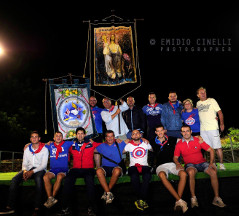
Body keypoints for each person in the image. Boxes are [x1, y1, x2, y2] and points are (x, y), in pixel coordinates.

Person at [173, 125, 226, 209]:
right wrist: (177, 163)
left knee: (213, 172)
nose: (185, 133)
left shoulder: (198, 140)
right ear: (181, 133)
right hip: (190, 164)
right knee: (190, 172)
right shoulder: (179, 144)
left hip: (202, 163)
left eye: (187, 131)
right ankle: (193, 198)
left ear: (191, 132)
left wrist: (211, 163)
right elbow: (175, 157)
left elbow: (211, 150)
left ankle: (216, 198)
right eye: (183, 131)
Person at [0, 131, 49, 216]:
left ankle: (37, 208)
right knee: (14, 179)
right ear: (30, 139)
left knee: (38, 180)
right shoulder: (27, 149)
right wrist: (25, 171)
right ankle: (10, 207)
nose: (34, 138)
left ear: (39, 138)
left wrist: (31, 172)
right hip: (28, 169)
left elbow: (43, 165)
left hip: (39, 169)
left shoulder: (44, 149)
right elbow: (24, 163)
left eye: (36, 136)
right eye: (32, 137)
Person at [58, 127, 101, 216]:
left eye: (82, 133)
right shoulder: (72, 145)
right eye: (78, 133)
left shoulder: (91, 143)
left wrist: (117, 140)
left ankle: (92, 208)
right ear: (76, 135)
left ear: (85, 135)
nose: (80, 135)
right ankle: (65, 208)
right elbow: (58, 144)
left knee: (90, 184)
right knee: (67, 182)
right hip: (76, 169)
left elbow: (105, 145)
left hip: (88, 169)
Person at [152, 125, 188, 213]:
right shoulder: (152, 142)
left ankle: (177, 201)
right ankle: (179, 200)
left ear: (164, 131)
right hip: (160, 166)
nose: (160, 133)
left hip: (172, 164)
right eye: (158, 131)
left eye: (161, 131)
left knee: (183, 173)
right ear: (155, 132)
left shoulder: (172, 139)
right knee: (161, 175)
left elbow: (185, 139)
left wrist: (197, 137)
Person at [196, 87, 225, 170]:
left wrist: (221, 124)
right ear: (198, 95)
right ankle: (213, 163)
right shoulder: (198, 103)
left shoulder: (212, 100)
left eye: (204, 92)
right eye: (201, 93)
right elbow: (194, 111)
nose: (203, 94)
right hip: (203, 130)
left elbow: (219, 112)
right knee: (208, 148)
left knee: (217, 147)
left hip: (213, 128)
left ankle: (221, 164)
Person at [123, 129, 152, 211]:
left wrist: (147, 141)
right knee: (134, 177)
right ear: (131, 136)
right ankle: (140, 198)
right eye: (133, 134)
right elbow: (121, 151)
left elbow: (153, 150)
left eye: (137, 133)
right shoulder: (129, 145)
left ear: (140, 135)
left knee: (147, 176)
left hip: (145, 166)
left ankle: (141, 199)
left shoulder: (145, 143)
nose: (135, 135)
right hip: (133, 166)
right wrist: (122, 142)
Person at [94, 130, 126, 204]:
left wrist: (143, 139)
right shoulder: (101, 146)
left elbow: (132, 141)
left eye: (112, 136)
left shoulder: (120, 143)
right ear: (105, 138)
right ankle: (108, 193)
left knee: (117, 170)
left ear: (114, 137)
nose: (110, 138)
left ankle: (106, 192)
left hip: (116, 167)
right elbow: (90, 149)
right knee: (98, 171)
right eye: (108, 136)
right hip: (105, 167)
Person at [43, 131, 73, 208]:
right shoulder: (50, 145)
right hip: (53, 170)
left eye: (60, 136)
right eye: (57, 136)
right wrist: (27, 144)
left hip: (63, 169)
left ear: (62, 138)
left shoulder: (67, 144)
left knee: (59, 176)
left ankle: (52, 197)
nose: (58, 137)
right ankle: (50, 198)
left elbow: (78, 141)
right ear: (54, 138)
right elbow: (38, 145)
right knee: (45, 177)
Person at [89, 95, 103, 168]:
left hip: (98, 133)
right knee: (88, 150)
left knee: (97, 151)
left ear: (96, 101)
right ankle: (89, 168)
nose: (92, 102)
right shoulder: (85, 109)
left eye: (94, 100)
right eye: (91, 100)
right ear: (88, 101)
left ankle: (98, 168)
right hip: (88, 133)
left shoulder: (100, 110)